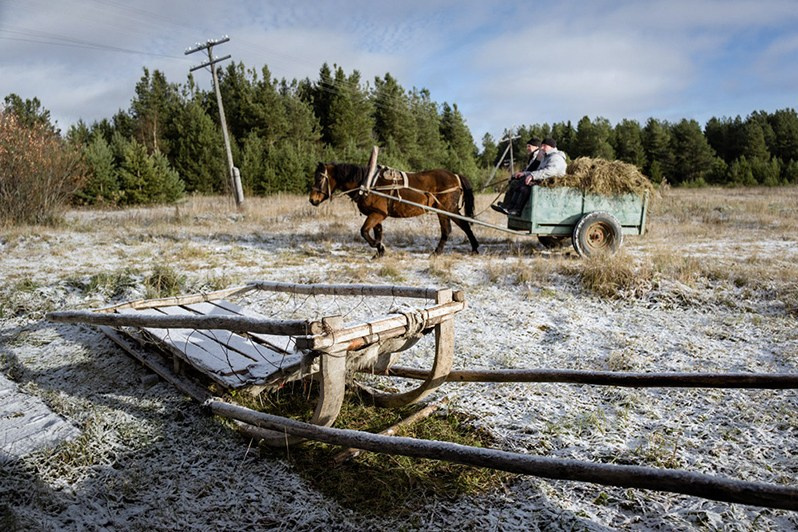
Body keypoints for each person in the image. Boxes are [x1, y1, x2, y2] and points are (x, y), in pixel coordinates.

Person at [499, 137, 566, 216]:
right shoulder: (546, 157)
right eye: (542, 146)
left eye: (544, 146)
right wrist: (525, 174)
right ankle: (510, 207)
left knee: (524, 187)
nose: (542, 148)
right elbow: (538, 170)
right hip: (544, 180)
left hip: (552, 183)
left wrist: (532, 176)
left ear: (552, 147)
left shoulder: (556, 157)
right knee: (519, 183)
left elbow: (550, 171)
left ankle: (516, 210)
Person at [491, 138, 542, 214]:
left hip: (533, 177)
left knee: (515, 183)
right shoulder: (533, 155)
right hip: (529, 175)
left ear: (536, 146)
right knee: (513, 180)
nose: (527, 148)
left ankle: (509, 206)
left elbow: (534, 169)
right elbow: (529, 168)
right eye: (527, 146)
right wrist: (520, 173)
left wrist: (523, 174)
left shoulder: (538, 155)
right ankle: (506, 205)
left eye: (529, 146)